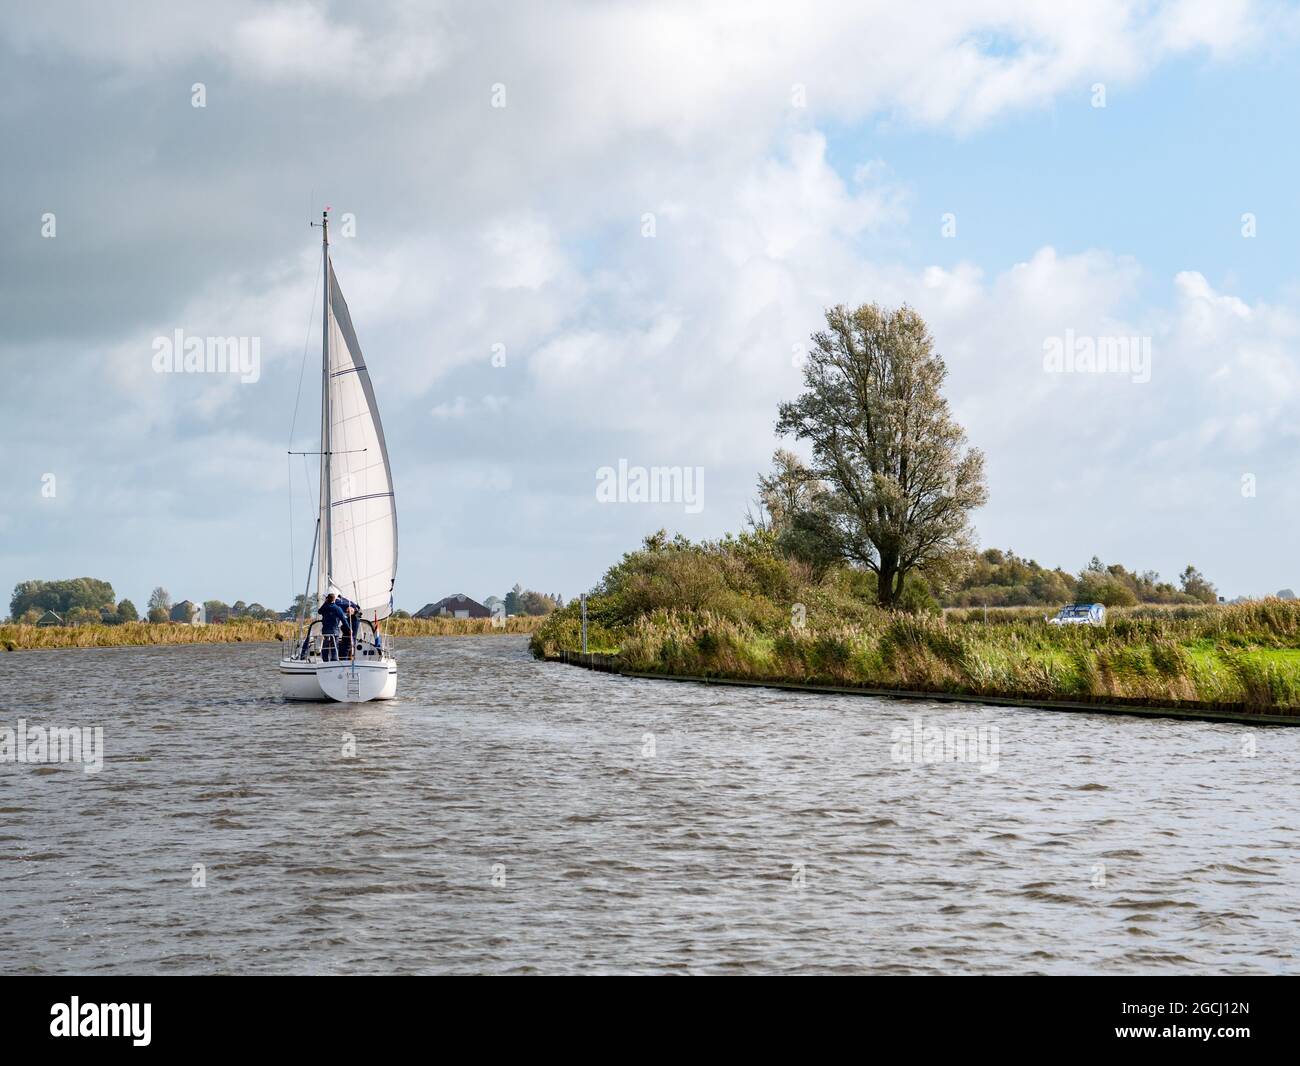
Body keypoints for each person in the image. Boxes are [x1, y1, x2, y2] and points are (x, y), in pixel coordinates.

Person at [317, 593, 349, 662]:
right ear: (334, 599)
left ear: (327, 599)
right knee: (334, 647)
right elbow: (344, 620)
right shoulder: (338, 608)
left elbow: (319, 611)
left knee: (325, 646)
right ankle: (334, 660)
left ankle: (325, 660)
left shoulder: (325, 607)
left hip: (326, 631)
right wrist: (349, 629)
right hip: (334, 631)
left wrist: (325, 603)